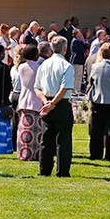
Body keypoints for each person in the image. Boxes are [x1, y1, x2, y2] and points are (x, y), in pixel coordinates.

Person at [35, 39, 78, 177]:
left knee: (47, 139)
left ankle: (44, 170)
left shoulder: (43, 65)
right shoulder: (66, 66)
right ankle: (62, 171)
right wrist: (52, 103)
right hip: (61, 103)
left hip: (47, 101)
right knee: (63, 139)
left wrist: (46, 102)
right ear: (65, 49)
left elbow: (37, 87)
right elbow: (65, 88)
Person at [86, 44, 110, 162]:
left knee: (96, 129)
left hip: (98, 100)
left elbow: (90, 83)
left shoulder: (95, 67)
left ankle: (95, 154)